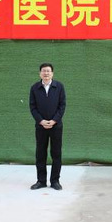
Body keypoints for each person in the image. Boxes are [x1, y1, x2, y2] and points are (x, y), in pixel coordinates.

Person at [29, 62, 66, 190]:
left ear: (52, 73)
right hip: (41, 127)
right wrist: (41, 121)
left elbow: (62, 106)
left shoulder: (59, 87)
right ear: (40, 73)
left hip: (56, 126)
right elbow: (32, 107)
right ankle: (41, 181)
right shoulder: (34, 88)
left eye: (48, 71)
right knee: (40, 153)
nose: (46, 73)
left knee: (56, 153)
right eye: (43, 71)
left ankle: (55, 181)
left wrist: (54, 120)